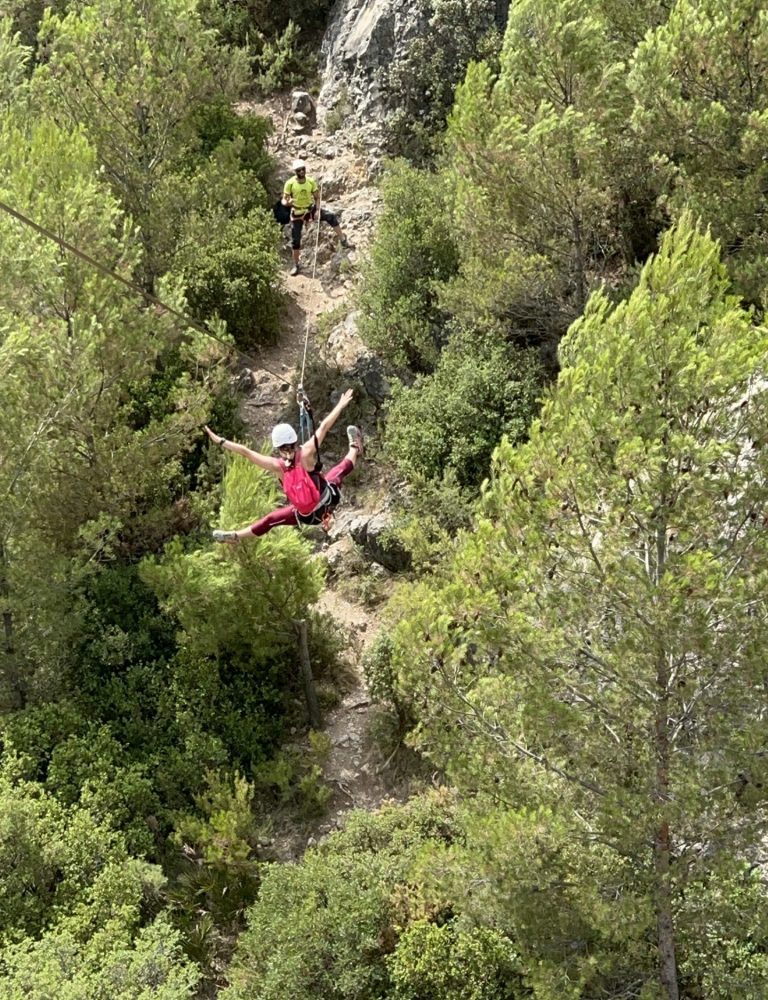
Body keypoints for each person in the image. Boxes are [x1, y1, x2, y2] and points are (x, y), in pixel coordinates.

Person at [205, 389, 363, 542]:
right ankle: (355, 447)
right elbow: (324, 427)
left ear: (277, 447)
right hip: (327, 502)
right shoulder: (306, 452)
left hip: (307, 517)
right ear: (294, 439)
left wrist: (220, 441)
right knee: (338, 471)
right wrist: (340, 405)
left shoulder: (276, 465)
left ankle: (236, 536)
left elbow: (246, 452)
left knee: (271, 519)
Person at [282, 158, 348, 276]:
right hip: (297, 213)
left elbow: (317, 197)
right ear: (295, 171)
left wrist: (317, 210)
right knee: (295, 240)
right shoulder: (290, 183)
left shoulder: (310, 182)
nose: (302, 171)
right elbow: (284, 199)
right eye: (299, 170)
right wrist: (288, 203)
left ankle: (343, 239)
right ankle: (296, 264)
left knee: (331, 217)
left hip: (309, 209)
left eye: (303, 169)